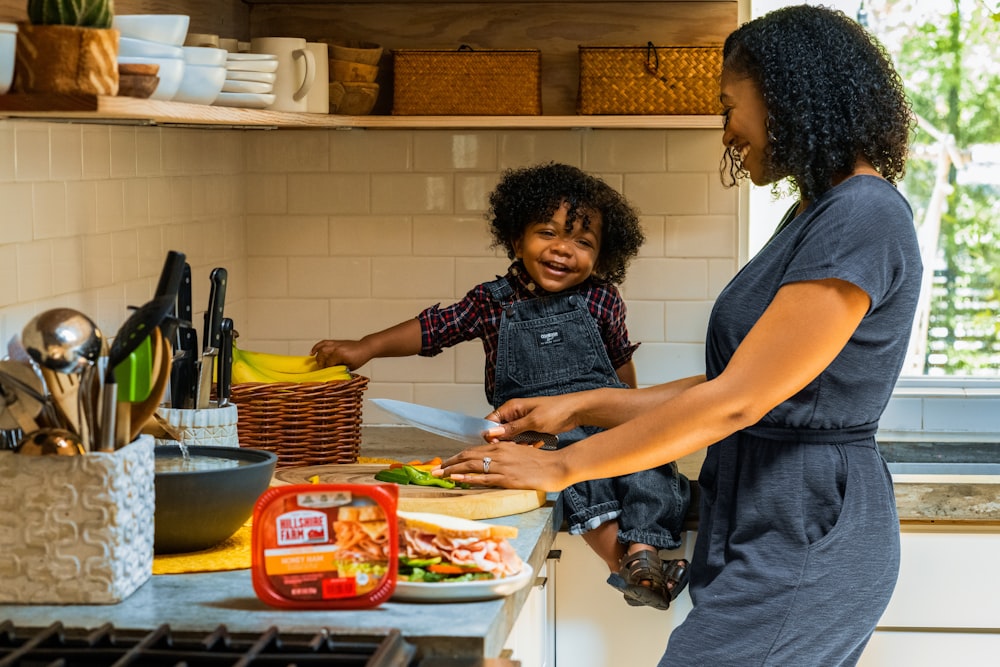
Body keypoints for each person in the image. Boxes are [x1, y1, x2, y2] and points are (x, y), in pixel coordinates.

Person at [436, 5, 920, 665]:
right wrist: (580, 405)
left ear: (783, 98)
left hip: (809, 528)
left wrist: (561, 464)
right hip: (766, 515)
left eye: (729, 106)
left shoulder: (863, 214)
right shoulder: (814, 214)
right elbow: (740, 382)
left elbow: (737, 401)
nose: (727, 131)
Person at [312, 162, 691, 610]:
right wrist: (366, 347)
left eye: (582, 242)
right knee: (579, 477)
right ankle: (623, 567)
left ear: (602, 255)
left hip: (603, 413)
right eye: (547, 233)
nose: (564, 249)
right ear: (516, 239)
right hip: (542, 430)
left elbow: (620, 364)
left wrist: (634, 416)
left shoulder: (603, 298)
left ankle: (644, 556)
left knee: (648, 460)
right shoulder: (491, 302)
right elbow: (434, 329)